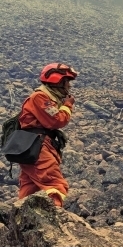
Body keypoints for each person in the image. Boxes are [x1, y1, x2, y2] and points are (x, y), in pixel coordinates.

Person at [17, 63, 78, 206]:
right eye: (67, 81)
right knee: (55, 184)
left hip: (33, 146)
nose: (69, 86)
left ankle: (21, 219)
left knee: (30, 187)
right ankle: (53, 219)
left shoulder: (47, 98)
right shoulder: (40, 98)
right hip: (38, 147)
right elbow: (56, 120)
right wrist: (68, 105)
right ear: (58, 81)